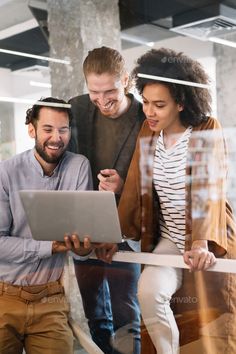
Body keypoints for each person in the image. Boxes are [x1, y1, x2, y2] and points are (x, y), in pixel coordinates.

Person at [117, 48, 236, 354]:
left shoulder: (207, 128)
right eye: (146, 102)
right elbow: (134, 186)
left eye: (159, 105)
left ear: (181, 103)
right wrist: (112, 235)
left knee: (214, 325)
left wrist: (200, 242)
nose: (149, 112)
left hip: (209, 240)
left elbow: (209, 189)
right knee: (148, 293)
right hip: (169, 238)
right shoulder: (148, 132)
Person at [0, 97, 95, 354]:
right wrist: (51, 246)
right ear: (32, 130)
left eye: (63, 130)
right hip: (3, 297)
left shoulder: (79, 166)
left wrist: (86, 246)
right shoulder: (6, 172)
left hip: (51, 299)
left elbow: (82, 239)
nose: (56, 138)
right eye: (48, 129)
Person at [69, 46, 145, 354]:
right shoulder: (76, 109)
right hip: (85, 230)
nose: (103, 101)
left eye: (110, 91)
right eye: (94, 93)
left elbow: (156, 183)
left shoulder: (145, 116)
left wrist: (123, 186)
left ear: (125, 80)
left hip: (126, 230)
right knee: (94, 314)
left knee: (127, 315)